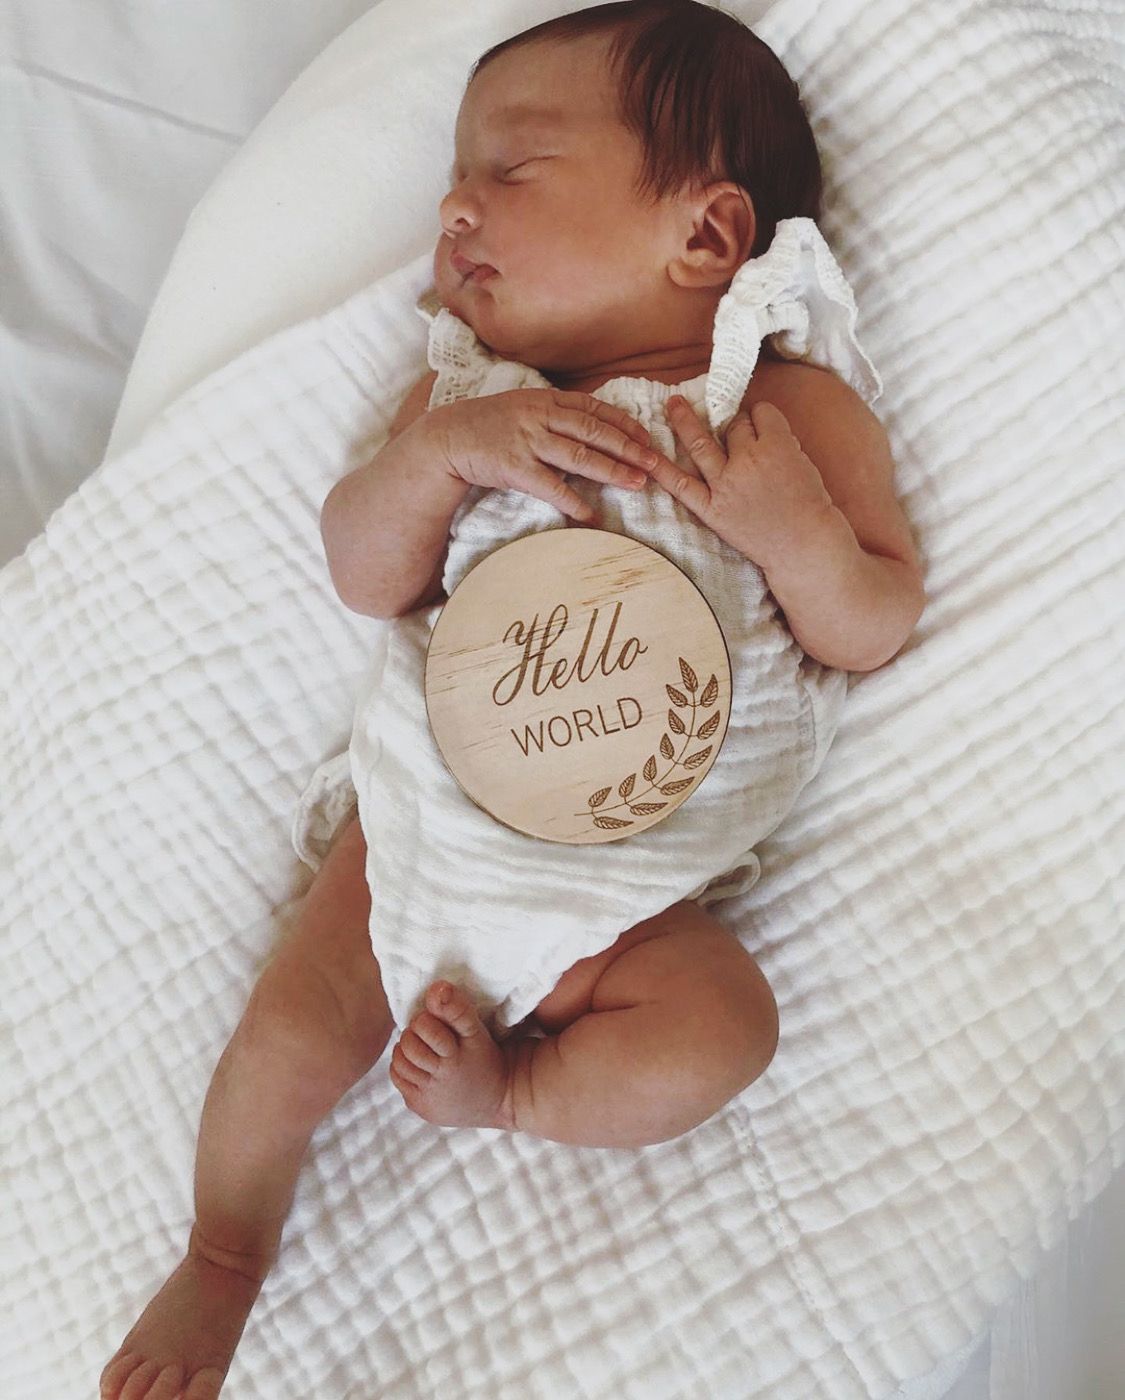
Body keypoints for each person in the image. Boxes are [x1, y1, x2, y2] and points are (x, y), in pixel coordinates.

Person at [100, 3, 924, 1396]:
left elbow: (872, 626)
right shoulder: (465, 401)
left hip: (630, 906)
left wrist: (800, 538)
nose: (452, 207)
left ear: (706, 239)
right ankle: (225, 1251)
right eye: (453, 178)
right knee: (290, 1041)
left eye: (513, 170)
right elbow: (365, 574)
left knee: (723, 1031)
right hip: (420, 835)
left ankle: (522, 1092)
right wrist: (439, 462)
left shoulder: (786, 416)